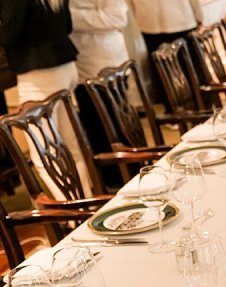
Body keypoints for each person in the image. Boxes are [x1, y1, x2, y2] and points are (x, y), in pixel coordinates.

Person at [0, 0, 93, 198]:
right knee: (71, 146)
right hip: (64, 65)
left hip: (39, 73)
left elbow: (9, 36)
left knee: (43, 155)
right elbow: (67, 25)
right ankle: (86, 203)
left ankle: (73, 215)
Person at [70, 0, 131, 189]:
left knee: (120, 129)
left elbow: (118, 17)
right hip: (82, 67)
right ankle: (113, 184)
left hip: (110, 61)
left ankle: (130, 177)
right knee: (97, 133)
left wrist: (71, 16)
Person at [128, 0, 202, 109]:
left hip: (159, 20)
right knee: (167, 71)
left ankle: (183, 108)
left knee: (181, 69)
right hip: (162, 21)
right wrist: (199, 16)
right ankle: (195, 107)